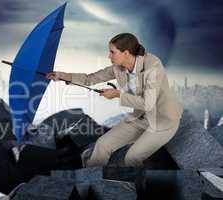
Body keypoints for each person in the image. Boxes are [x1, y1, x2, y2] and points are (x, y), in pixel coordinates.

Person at [46, 33, 183, 167]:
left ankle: (131, 188)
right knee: (102, 145)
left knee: (132, 157)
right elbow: (90, 78)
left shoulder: (153, 66)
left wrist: (118, 94)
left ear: (126, 53)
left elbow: (147, 104)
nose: (109, 56)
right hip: (140, 118)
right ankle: (91, 180)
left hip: (162, 120)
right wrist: (63, 76)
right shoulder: (118, 67)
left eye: (112, 52)